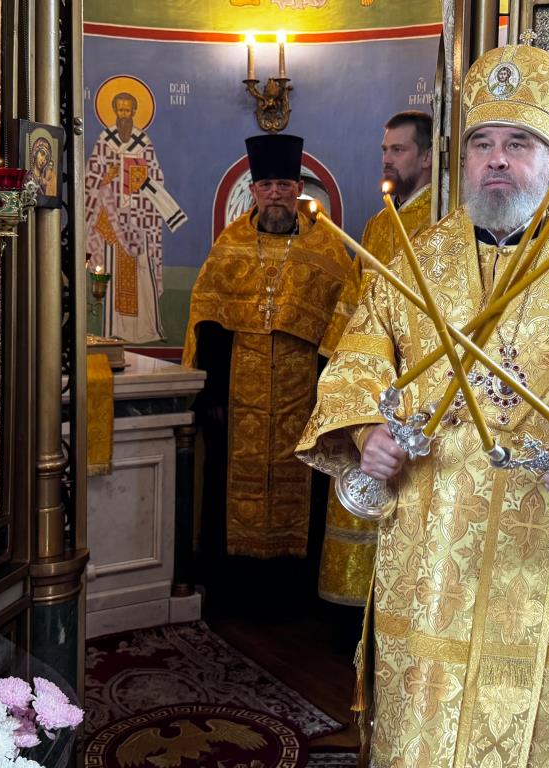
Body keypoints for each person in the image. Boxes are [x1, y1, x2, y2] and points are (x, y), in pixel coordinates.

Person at [296, 42, 549, 768]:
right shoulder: (411, 262)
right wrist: (367, 433)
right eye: (482, 143)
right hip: (428, 553)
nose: (496, 160)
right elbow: (356, 367)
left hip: (540, 550)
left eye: (519, 144)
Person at [182, 133, 360, 612]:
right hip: (238, 397)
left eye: (284, 185)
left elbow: (343, 323)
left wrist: (328, 397)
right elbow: (209, 321)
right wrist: (213, 395)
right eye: (267, 186)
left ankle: (291, 595)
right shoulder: (231, 244)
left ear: (298, 190)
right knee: (230, 491)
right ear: (254, 191)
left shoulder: (326, 247)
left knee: (300, 485)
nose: (276, 194)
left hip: (303, 395)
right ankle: (234, 590)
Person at [319, 110, 433, 612]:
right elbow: (354, 302)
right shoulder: (379, 223)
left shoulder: (440, 221)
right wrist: (336, 369)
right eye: (385, 150)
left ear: (427, 158)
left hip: (415, 383)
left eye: (398, 150)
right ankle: (353, 617)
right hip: (367, 381)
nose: (387, 159)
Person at [85, 91, 187, 344]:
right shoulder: (105, 140)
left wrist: (141, 181)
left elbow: (157, 176)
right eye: (119, 110)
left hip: (140, 218)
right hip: (111, 217)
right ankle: (114, 330)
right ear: (114, 111)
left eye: (127, 110)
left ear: (133, 112)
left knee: (141, 270)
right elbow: (90, 178)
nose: (123, 115)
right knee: (112, 270)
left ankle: (144, 329)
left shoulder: (144, 142)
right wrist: (107, 177)